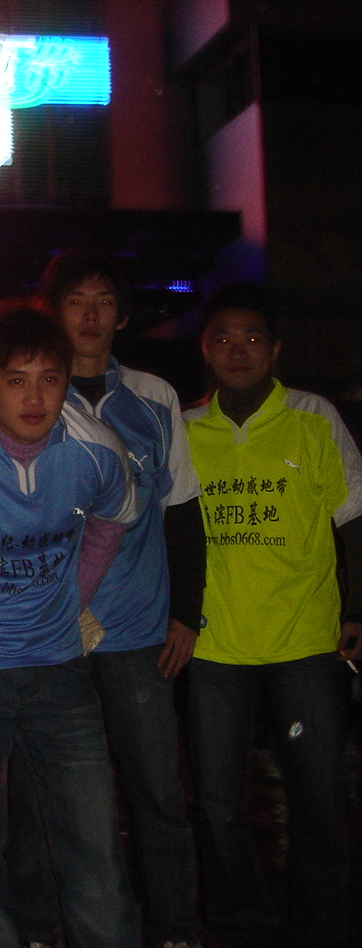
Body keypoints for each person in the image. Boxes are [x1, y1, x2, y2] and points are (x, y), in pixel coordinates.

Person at [0, 304, 141, 948]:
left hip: (57, 669)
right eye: (16, 379)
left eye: (50, 379)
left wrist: (68, 603)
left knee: (93, 847)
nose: (35, 398)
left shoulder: (96, 447)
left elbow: (113, 519)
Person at [9, 251, 205, 948]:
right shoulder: (31, 398)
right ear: (53, 311)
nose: (89, 315)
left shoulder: (154, 398)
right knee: (36, 795)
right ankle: (38, 928)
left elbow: (183, 511)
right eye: (75, 301)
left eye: (103, 302)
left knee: (156, 792)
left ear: (121, 316)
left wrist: (185, 613)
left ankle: (174, 928)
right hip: (48, 639)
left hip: (137, 634)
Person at [184, 284, 362, 948]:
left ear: (275, 349)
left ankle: (321, 925)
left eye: (253, 338)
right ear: (206, 349)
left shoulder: (314, 418)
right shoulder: (184, 429)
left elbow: (353, 517)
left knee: (319, 799)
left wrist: (356, 608)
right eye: (224, 338)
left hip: (305, 640)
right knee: (218, 803)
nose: (239, 350)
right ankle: (240, 924)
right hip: (214, 645)